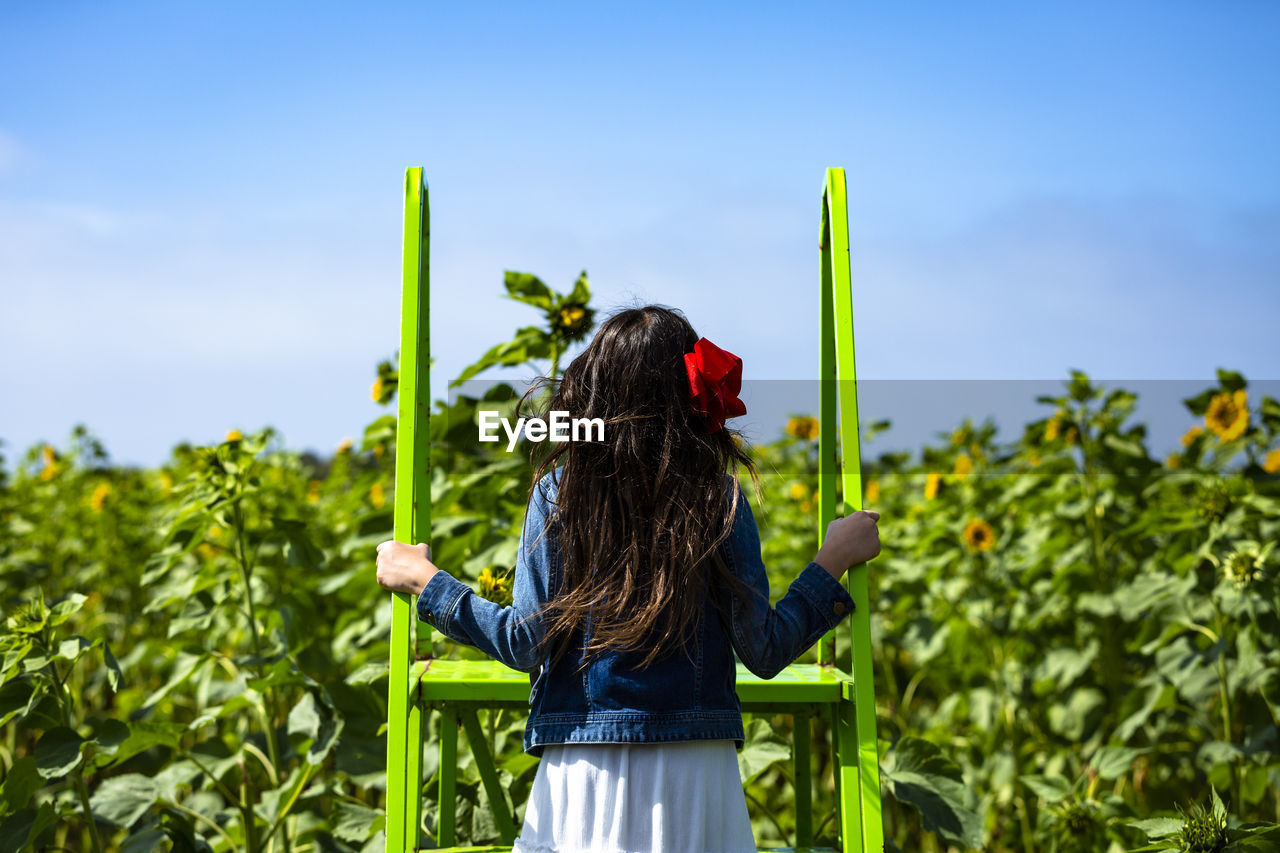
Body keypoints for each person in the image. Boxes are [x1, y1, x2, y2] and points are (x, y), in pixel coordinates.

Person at [375, 305, 881, 852]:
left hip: (585, 767)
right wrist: (832, 558)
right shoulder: (718, 497)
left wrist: (426, 580)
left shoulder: (559, 494)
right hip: (697, 771)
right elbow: (764, 648)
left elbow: (524, 642)